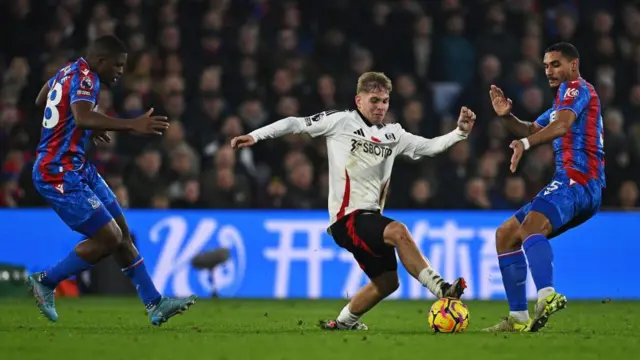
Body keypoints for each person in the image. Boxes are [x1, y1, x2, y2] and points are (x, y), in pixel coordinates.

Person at [231, 72, 476, 330]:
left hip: (371, 220)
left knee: (388, 283)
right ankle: (441, 288)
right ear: (359, 100)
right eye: (374, 100)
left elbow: (430, 146)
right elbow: (296, 123)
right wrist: (256, 136)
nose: (380, 107)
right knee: (398, 231)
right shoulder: (340, 122)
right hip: (347, 219)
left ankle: (343, 322)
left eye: (384, 101)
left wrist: (459, 132)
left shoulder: (393, 135)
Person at [27, 35, 196, 326]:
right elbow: (81, 117)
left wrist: (82, 127)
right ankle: (46, 280)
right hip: (57, 171)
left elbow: (43, 98)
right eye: (117, 65)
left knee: (122, 234)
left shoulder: (68, 71)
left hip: (79, 168)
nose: (119, 71)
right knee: (109, 237)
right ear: (100, 61)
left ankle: (155, 303)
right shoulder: (87, 78)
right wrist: (131, 124)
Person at [485, 42, 605, 332]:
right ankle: (517, 318)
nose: (549, 70)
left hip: (578, 180)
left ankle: (547, 295)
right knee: (506, 235)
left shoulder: (576, 88)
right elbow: (533, 129)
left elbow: (561, 128)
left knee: (530, 227)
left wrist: (525, 145)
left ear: (572, 65)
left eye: (555, 64)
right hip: (573, 184)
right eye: (546, 65)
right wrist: (506, 117)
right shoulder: (560, 104)